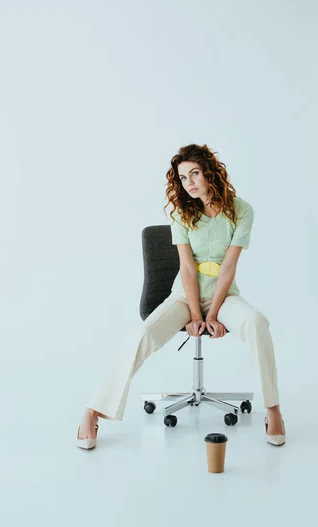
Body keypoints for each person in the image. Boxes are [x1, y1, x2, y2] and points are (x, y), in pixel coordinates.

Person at [77, 143, 286, 450]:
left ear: (210, 172)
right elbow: (187, 268)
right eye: (183, 177)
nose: (189, 182)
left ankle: (273, 410)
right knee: (143, 333)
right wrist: (196, 315)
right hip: (184, 296)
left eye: (195, 173)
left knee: (256, 322)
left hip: (224, 296)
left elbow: (228, 266)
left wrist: (213, 314)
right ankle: (93, 410)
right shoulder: (181, 213)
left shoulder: (242, 211)